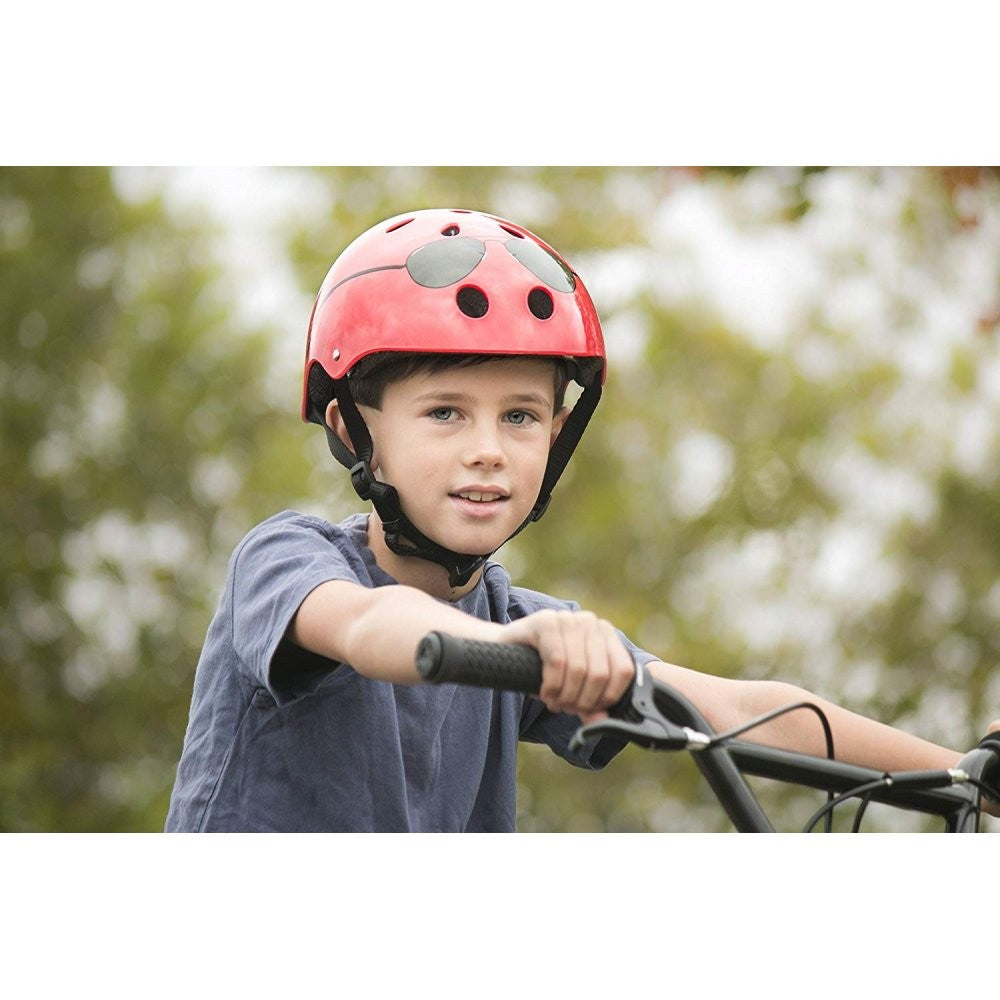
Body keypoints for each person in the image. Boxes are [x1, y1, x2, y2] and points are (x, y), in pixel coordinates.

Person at [164, 208, 996, 832]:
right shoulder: (287, 561)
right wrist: (518, 654)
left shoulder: (519, 620)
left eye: (520, 418)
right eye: (445, 413)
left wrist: (962, 772)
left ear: (556, 438)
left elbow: (742, 706)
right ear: (354, 431)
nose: (488, 450)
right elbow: (370, 626)